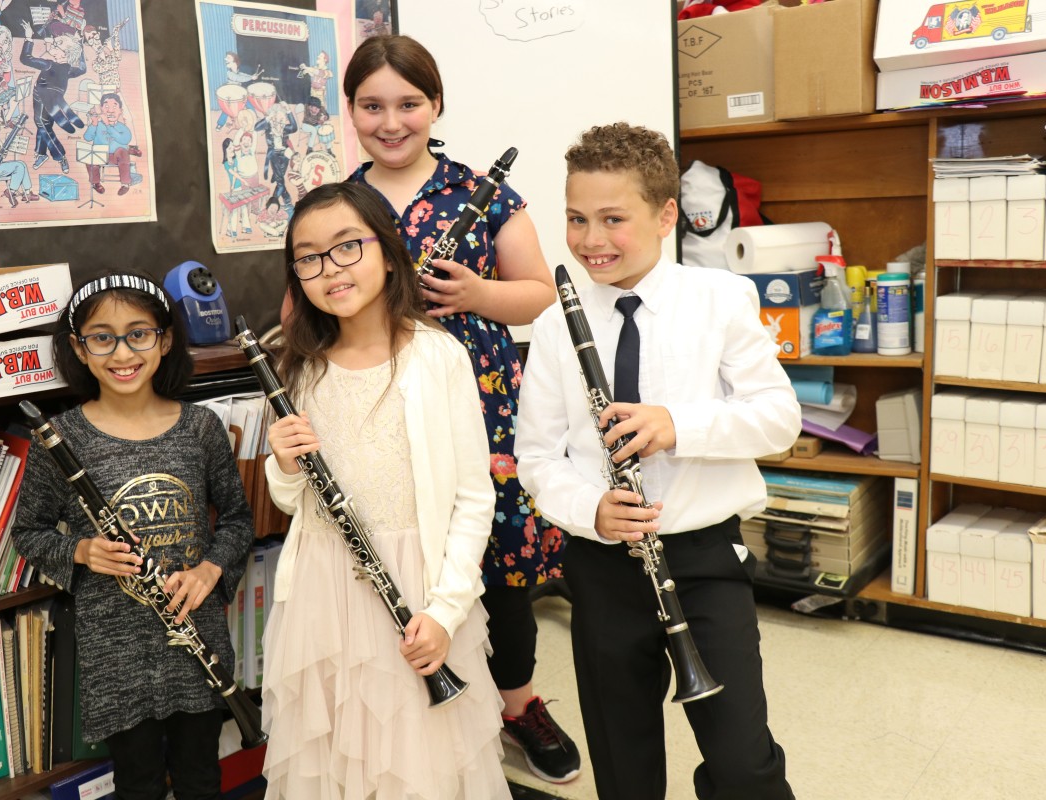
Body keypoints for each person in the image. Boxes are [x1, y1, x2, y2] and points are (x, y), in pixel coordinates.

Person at [515, 122, 801, 800]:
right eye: (577, 219)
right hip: (603, 565)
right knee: (624, 760)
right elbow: (537, 455)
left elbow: (778, 419)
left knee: (741, 762)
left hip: (704, 561)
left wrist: (679, 425)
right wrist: (590, 509)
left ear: (666, 214)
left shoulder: (721, 300)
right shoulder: (559, 322)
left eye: (614, 219)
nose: (591, 240)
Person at [342, 34, 578, 784]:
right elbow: (306, 300)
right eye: (372, 105)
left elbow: (539, 292)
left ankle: (517, 703)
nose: (392, 120)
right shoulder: (342, 202)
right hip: (380, 403)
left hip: (480, 401)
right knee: (404, 551)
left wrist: (477, 295)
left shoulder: (483, 192)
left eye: (409, 103)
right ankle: (411, 707)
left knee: (499, 559)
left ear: (435, 104)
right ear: (350, 111)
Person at [260, 182, 508, 800]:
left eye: (347, 247)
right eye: (309, 257)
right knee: (334, 757)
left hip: (418, 590)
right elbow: (296, 504)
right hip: (323, 589)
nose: (329, 269)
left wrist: (447, 611)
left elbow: (474, 499)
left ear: (389, 250)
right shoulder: (301, 365)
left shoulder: (437, 355)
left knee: (419, 764)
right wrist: (284, 466)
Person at [12, 272, 254, 800]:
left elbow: (237, 519)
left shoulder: (200, 429)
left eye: (139, 333)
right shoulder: (62, 438)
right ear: (79, 347)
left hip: (197, 640)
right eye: (102, 337)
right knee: (138, 785)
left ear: (165, 340)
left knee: (200, 780)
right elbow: (27, 533)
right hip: (116, 653)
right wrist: (80, 549)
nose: (122, 351)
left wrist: (210, 569)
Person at [19, 21, 86, 172]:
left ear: (66, 54)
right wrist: (79, 44)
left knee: (43, 124)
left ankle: (59, 155)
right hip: (42, 97)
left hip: (47, 98)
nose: (51, 46)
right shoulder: (69, 69)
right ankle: (41, 153)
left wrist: (28, 38)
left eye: (56, 46)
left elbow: (26, 58)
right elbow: (83, 68)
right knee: (44, 124)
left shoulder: (50, 65)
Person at [82, 93, 133, 195]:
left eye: (114, 107)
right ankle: (96, 183)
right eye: (106, 107)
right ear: (101, 110)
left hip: (117, 157)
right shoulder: (98, 125)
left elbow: (124, 140)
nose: (110, 110)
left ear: (120, 111)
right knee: (90, 156)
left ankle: (125, 184)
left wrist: (108, 125)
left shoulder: (122, 127)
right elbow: (87, 138)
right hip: (100, 155)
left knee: (123, 152)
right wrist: (94, 123)